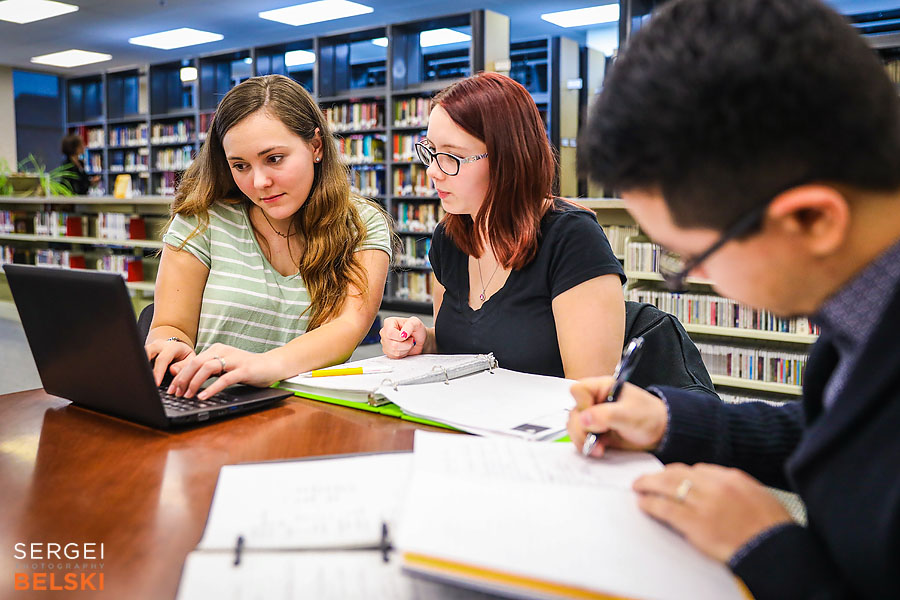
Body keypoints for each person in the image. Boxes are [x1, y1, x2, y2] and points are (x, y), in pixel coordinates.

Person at [569, 0, 900, 597]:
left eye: (692, 258)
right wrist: (674, 419)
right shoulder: (864, 302)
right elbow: (848, 434)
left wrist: (768, 548)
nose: (698, 280)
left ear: (811, 219)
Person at [145, 74, 392, 401]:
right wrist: (171, 346)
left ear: (316, 146)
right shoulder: (201, 218)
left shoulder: (362, 224)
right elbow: (170, 327)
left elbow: (347, 327)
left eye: (274, 159)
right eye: (240, 165)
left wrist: (263, 365)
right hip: (206, 403)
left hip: (306, 414)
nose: (259, 181)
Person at [380, 72, 625, 379]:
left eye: (452, 156)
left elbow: (591, 394)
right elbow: (459, 346)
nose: (432, 171)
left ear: (507, 157)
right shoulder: (449, 237)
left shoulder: (572, 239)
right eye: (430, 151)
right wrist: (424, 341)